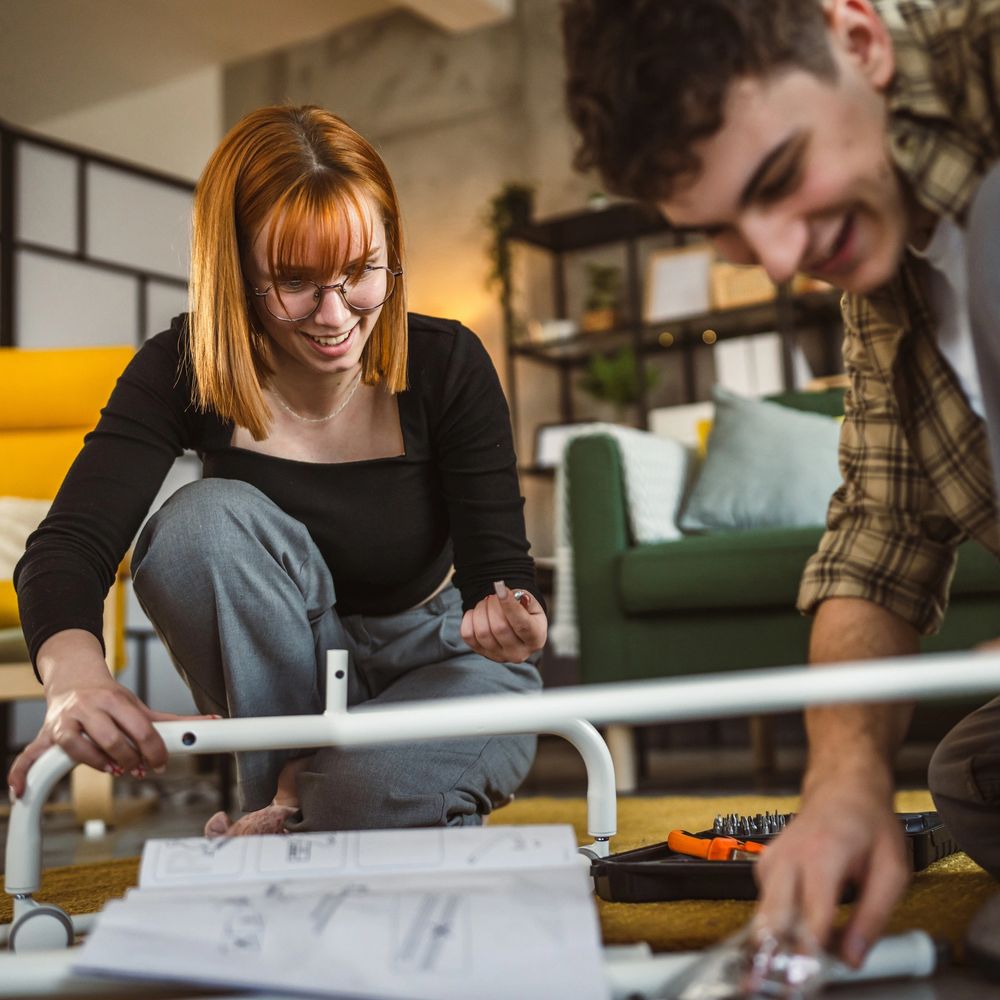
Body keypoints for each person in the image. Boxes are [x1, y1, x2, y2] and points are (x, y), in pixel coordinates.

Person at [561, 0, 1000, 969]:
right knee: (970, 776)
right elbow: (877, 541)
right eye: (724, 233)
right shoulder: (883, 271)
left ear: (858, 39)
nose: (779, 260)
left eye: (780, 177)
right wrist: (843, 782)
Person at [8, 104, 547, 836]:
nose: (334, 315)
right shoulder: (183, 368)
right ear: (236, 274)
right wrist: (74, 681)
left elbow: (499, 576)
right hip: (297, 684)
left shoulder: (449, 364)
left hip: (444, 662)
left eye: (361, 272)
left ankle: (297, 812)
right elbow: (68, 544)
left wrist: (509, 618)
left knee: (354, 796)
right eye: (295, 282)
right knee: (195, 524)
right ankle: (285, 797)